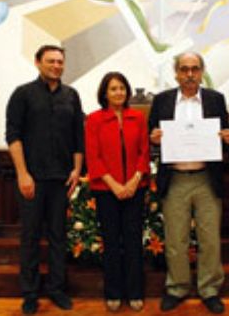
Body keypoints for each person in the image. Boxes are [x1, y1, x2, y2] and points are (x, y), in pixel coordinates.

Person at [149, 52, 229, 314]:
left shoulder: (215, 99)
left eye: (194, 69)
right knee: (176, 239)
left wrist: (228, 136)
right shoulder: (162, 101)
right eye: (184, 69)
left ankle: (209, 288)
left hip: (206, 179)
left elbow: (225, 136)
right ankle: (177, 287)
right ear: (175, 73)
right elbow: (150, 136)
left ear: (202, 71)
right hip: (174, 179)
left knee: (210, 239)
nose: (189, 74)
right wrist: (153, 137)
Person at [5, 45, 84, 315]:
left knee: (58, 236)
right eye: (50, 61)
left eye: (60, 61)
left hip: (62, 178)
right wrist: (22, 174)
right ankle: (29, 292)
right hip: (33, 179)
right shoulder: (23, 94)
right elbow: (12, 136)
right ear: (38, 62)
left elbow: (78, 137)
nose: (56, 66)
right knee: (30, 236)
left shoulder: (71, 96)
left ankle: (56, 288)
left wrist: (76, 170)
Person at [85, 72, 150, 312]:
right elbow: (94, 156)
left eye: (122, 88)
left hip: (136, 188)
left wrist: (134, 181)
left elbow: (145, 152)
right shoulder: (94, 120)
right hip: (106, 190)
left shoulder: (138, 118)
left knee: (133, 242)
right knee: (111, 242)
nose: (118, 93)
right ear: (104, 93)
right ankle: (113, 293)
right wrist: (114, 185)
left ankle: (134, 292)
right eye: (113, 89)